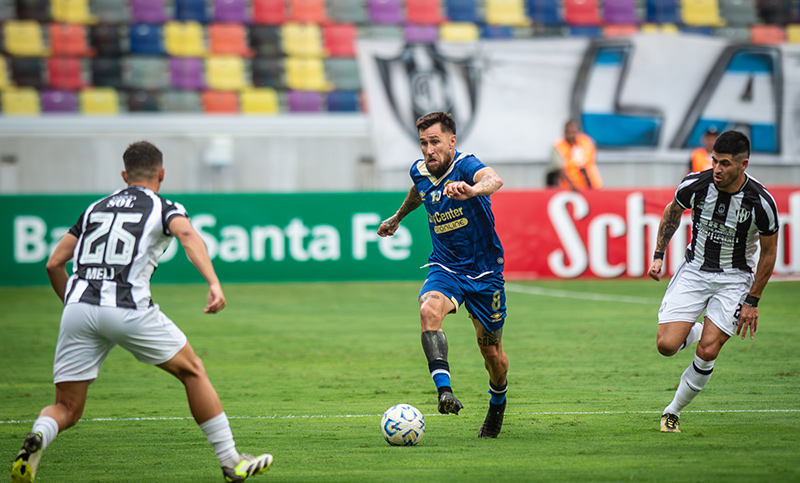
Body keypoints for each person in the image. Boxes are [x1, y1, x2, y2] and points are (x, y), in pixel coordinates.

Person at [11, 141, 272, 483]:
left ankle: (39, 436)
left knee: (67, 408)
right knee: (192, 371)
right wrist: (213, 282)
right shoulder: (164, 207)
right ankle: (231, 461)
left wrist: (76, 305)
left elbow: (53, 263)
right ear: (161, 173)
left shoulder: (95, 208)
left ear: (124, 174)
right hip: (127, 307)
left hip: (78, 308)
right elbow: (188, 235)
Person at [377, 111, 510, 439]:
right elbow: (418, 191)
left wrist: (474, 190)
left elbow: (495, 180)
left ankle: (497, 405)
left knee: (492, 354)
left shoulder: (466, 165)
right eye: (423, 143)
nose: (428, 150)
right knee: (428, 310)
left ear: (452, 141)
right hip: (446, 267)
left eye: (435, 142)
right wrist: (397, 217)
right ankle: (444, 391)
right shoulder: (420, 170)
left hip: (486, 274)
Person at [648, 130, 779, 433]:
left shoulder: (760, 202)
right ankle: (697, 330)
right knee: (666, 346)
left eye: (725, 164)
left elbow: (769, 254)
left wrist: (753, 301)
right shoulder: (697, 184)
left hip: (734, 279)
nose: (717, 169)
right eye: (715, 161)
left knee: (708, 351)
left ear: (743, 164)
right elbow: (672, 213)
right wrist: (658, 254)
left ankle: (672, 412)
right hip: (695, 270)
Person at [546, 120, 603, 190]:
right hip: (571, 189)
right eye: (570, 132)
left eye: (574, 132)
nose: (572, 135)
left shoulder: (587, 142)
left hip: (593, 186)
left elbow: (592, 160)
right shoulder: (558, 147)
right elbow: (559, 169)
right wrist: (572, 186)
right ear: (565, 132)